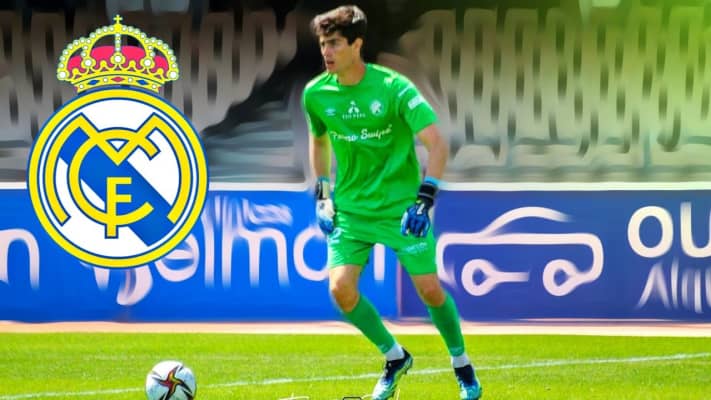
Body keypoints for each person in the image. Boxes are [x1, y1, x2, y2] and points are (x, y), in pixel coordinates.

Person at [301, 5, 483, 400]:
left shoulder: (394, 88)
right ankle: (395, 356)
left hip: (401, 210)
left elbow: (437, 144)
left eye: (335, 43)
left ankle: (461, 363)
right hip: (351, 211)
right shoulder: (315, 94)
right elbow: (319, 141)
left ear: (357, 45)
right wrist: (323, 193)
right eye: (323, 44)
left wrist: (424, 199)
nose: (327, 52)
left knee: (430, 290)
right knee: (340, 290)